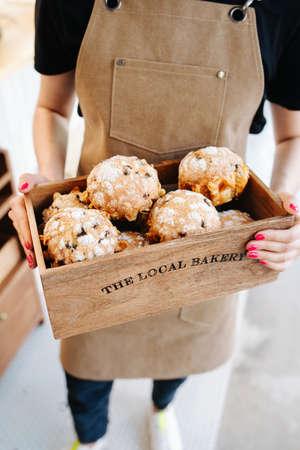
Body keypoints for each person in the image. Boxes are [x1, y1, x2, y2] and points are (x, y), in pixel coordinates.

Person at [8, 0, 300, 449]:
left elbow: (292, 134)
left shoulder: (283, 8)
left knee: (177, 357)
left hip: (211, 244)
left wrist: (283, 208)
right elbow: (51, 108)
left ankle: (162, 408)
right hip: (95, 250)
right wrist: (46, 183)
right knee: (87, 374)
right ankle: (89, 437)